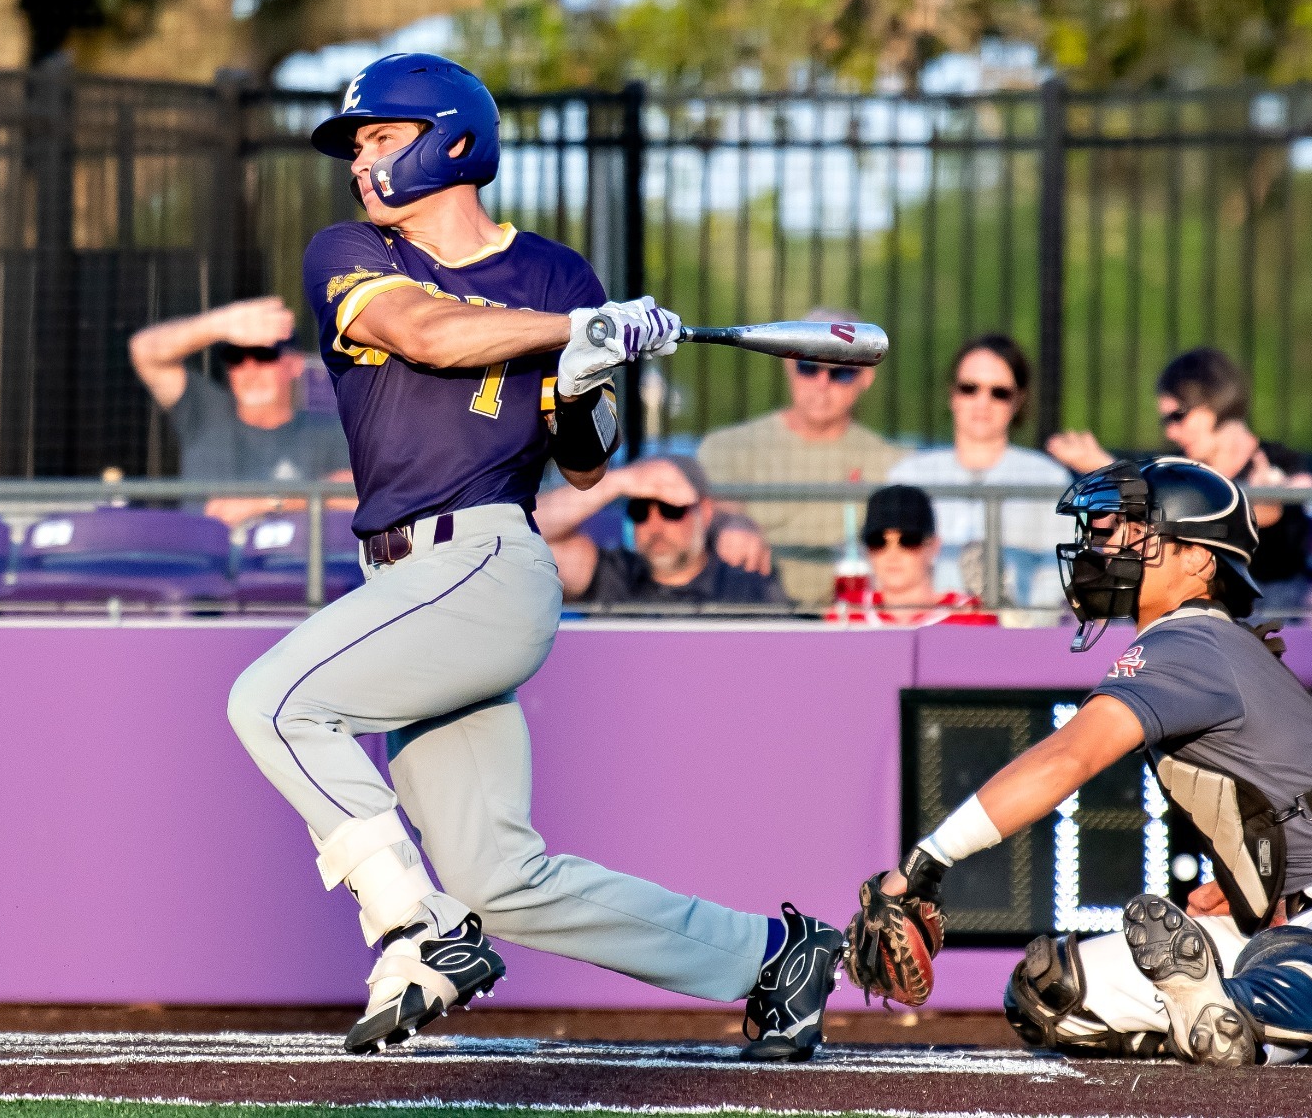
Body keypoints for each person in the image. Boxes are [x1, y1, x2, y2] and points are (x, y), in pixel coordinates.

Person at [222, 53, 841, 1063]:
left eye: (382, 138)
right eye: (359, 145)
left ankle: (410, 927)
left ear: (453, 142)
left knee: (273, 703)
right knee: (493, 876)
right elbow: (424, 334)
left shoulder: (556, 275)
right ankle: (771, 958)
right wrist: (575, 331)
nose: (360, 162)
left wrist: (591, 369)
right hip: (403, 583)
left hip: (483, 561)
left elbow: (587, 467)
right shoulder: (349, 250)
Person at [850, 457, 1312, 1067]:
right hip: (1281, 921)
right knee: (1050, 995)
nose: (1102, 542)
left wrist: (928, 862)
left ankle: (1293, 1019)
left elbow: (1068, 756)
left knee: (1293, 973)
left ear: (1198, 558)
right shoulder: (1192, 640)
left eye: (1131, 530)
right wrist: (1244, 890)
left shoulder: (1191, 638)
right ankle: (1286, 1022)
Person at [1045, 349, 1312, 601]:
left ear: (1212, 402)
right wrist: (1102, 466)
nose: (1170, 432)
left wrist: (1270, 492)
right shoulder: (1184, 472)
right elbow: (1156, 501)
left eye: (1177, 416)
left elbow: (1284, 500)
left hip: (1273, 604)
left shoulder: (1278, 460)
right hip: (1204, 602)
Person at [696, 308, 910, 607]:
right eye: (808, 367)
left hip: (851, 621)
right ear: (788, 362)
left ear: (867, 375)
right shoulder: (729, 446)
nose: (822, 383)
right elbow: (715, 511)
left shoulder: (895, 463)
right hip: (756, 613)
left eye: (842, 371)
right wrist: (732, 523)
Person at [128, 298, 353, 528]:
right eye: (236, 358)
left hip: (291, 561)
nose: (249, 371)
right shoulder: (205, 413)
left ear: (294, 364)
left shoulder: (328, 431)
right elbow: (144, 351)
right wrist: (217, 326)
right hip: (210, 560)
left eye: (264, 356)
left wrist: (265, 501)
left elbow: (363, 498)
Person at [886, 335, 1072, 609]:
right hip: (927, 630)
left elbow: (1058, 574)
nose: (982, 402)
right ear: (952, 394)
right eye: (969, 388)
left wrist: (1025, 624)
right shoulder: (909, 477)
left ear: (1018, 400)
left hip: (1015, 639)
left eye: (999, 393)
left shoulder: (1049, 480)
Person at [534, 455, 787, 609]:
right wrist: (617, 482)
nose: (654, 525)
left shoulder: (745, 584)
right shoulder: (611, 574)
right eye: (640, 509)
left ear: (705, 512)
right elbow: (526, 529)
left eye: (671, 509)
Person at [827, 484, 993, 627]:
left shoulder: (971, 617)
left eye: (908, 541)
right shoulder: (847, 614)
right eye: (878, 541)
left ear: (934, 546)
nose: (892, 555)